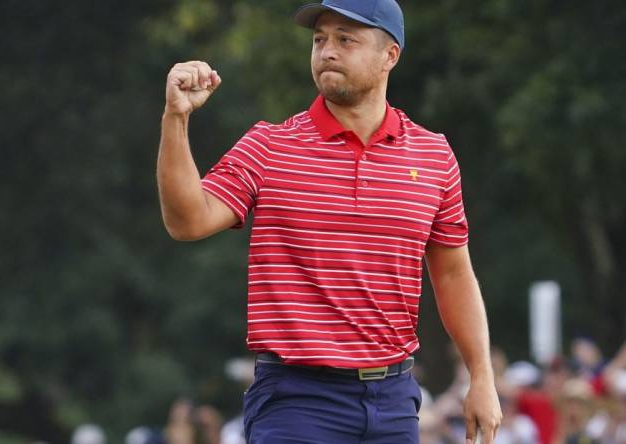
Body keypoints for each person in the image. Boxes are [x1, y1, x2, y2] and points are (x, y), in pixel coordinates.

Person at [157, 0, 502, 442]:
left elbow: (454, 275)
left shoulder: (433, 156)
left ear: (390, 55)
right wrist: (176, 119)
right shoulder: (271, 146)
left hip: (394, 400)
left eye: (346, 39)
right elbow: (187, 221)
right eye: (320, 39)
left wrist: (482, 376)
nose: (327, 51)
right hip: (296, 399)